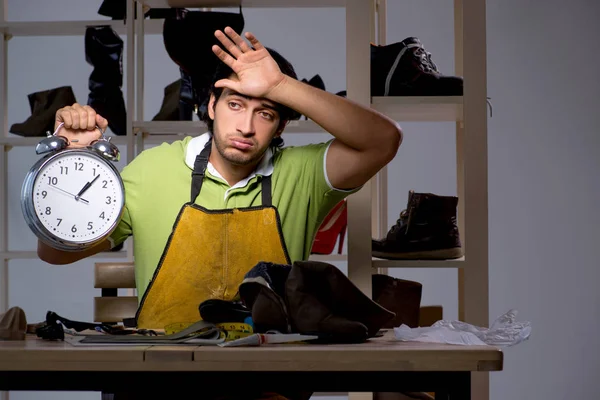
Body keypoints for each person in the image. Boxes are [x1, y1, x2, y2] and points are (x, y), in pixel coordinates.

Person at [36, 26, 401, 397]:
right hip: (161, 381)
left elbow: (385, 140)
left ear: (282, 126)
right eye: (235, 104)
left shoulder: (301, 174)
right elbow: (53, 253)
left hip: (267, 381)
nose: (245, 126)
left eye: (265, 113)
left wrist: (279, 85)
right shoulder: (152, 171)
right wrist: (71, 158)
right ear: (211, 105)